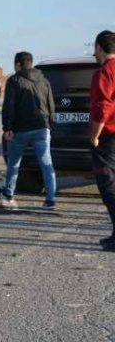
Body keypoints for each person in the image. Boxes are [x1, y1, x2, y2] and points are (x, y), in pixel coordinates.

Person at [0, 51, 56, 209]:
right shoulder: (44, 80)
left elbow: (9, 106)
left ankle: (9, 194)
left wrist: (7, 127)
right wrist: (49, 124)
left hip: (20, 129)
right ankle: (50, 200)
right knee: (46, 163)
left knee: (14, 163)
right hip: (42, 128)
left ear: (18, 64)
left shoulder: (15, 80)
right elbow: (51, 105)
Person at [89, 30, 115, 251]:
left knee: (107, 185)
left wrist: (95, 136)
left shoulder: (104, 72)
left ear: (99, 47)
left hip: (109, 136)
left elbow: (103, 106)